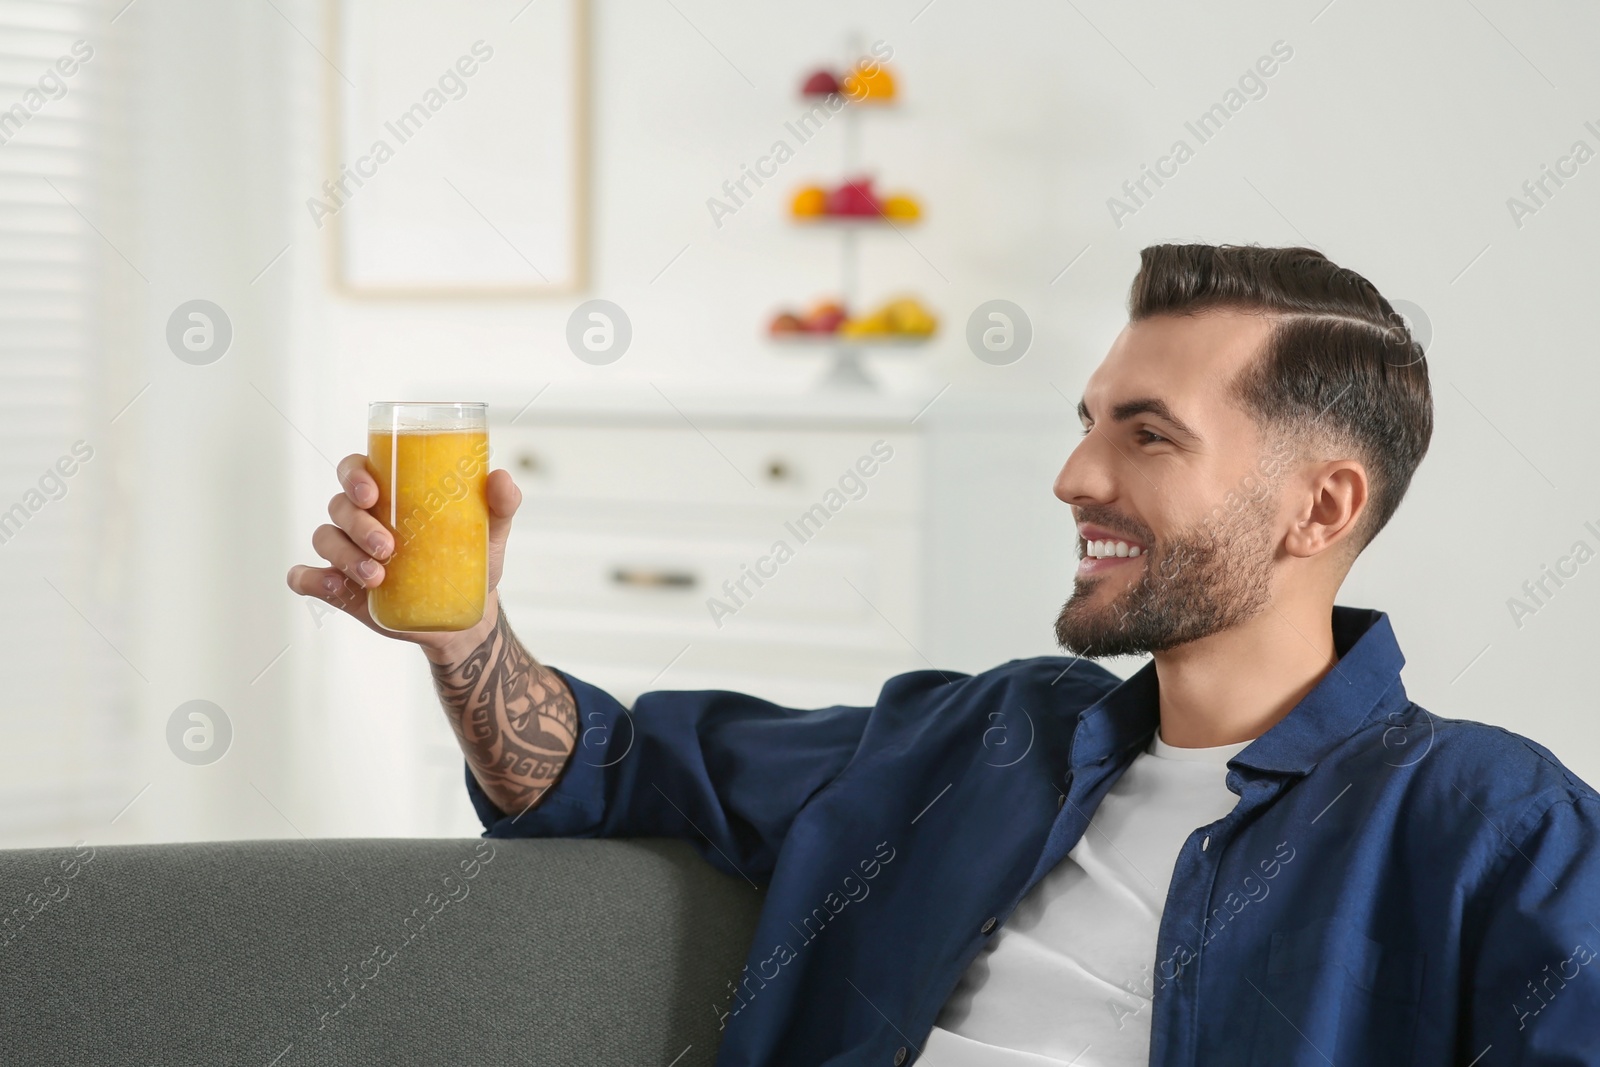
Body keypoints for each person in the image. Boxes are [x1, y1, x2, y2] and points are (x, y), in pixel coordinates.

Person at [287, 244, 1600, 1066]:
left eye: (1148, 436)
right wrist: (463, 635)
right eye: (1089, 423)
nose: (1073, 475)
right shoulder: (984, 740)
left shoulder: (1490, 822)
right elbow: (598, 769)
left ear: (1322, 508)